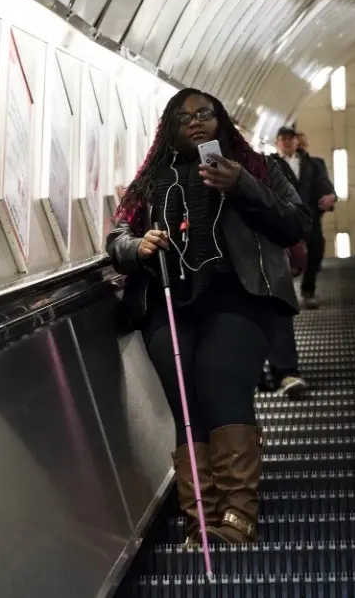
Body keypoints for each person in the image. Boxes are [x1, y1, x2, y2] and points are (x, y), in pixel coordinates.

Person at [107, 89, 312, 544]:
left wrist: (243, 186)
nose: (196, 123)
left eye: (205, 114)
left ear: (220, 120)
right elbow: (118, 235)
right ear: (170, 130)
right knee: (186, 406)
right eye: (184, 119)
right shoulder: (149, 182)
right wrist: (136, 246)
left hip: (240, 296)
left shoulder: (258, 167)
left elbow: (296, 223)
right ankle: (201, 520)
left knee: (220, 386)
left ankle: (238, 516)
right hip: (167, 303)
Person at [272, 127, 334, 308]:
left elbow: (326, 187)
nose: (287, 141)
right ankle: (285, 295)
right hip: (283, 218)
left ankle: (308, 291)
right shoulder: (270, 163)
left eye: (290, 138)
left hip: (310, 217)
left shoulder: (314, 163)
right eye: (283, 138)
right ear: (277, 143)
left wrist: (332, 197)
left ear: (296, 141)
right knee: (283, 258)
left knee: (316, 251)